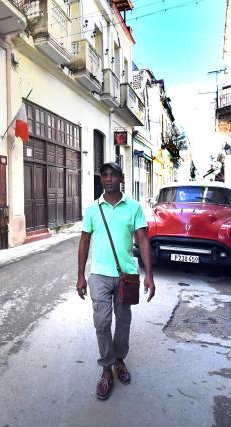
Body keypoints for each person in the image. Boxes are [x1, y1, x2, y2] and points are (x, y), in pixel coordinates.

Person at [76, 162, 156, 401]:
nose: (108, 179)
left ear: (121, 177)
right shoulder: (92, 209)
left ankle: (119, 359)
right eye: (104, 175)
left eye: (113, 175)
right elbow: (84, 243)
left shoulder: (133, 208)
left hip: (126, 275)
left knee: (123, 322)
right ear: (101, 179)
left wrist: (149, 274)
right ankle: (106, 369)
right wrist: (80, 275)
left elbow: (143, 240)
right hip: (99, 274)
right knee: (101, 322)